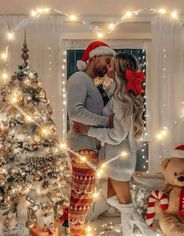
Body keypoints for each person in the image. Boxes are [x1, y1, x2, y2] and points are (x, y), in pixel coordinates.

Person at [73, 52, 156, 235]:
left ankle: (141, 232)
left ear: (118, 70)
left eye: (111, 65)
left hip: (120, 158)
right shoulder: (121, 95)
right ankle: (146, 231)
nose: (107, 67)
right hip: (118, 157)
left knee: (126, 205)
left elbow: (117, 135)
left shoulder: (121, 100)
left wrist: (89, 130)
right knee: (112, 199)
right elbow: (113, 102)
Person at [66, 41, 116, 236]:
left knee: (84, 196)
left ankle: (78, 232)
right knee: (81, 196)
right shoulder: (79, 78)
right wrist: (106, 122)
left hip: (88, 145)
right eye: (106, 60)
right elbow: (75, 112)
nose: (108, 66)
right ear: (94, 57)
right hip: (81, 145)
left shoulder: (93, 84)